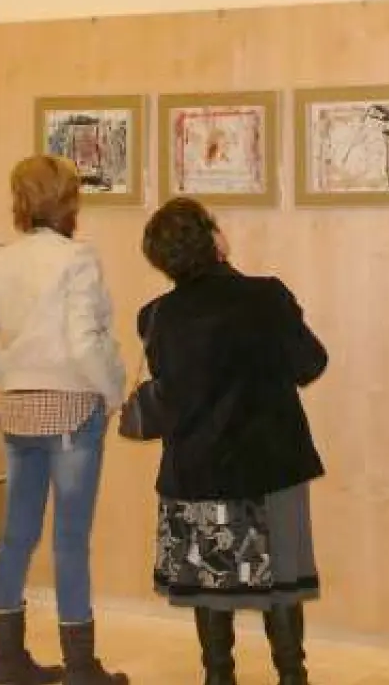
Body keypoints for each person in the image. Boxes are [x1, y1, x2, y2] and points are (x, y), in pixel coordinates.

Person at [136, 198, 327, 685]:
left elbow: (173, 391)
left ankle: (218, 675)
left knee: (211, 580)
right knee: (281, 582)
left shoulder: (156, 316)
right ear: (214, 239)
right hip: (273, 463)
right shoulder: (267, 297)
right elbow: (311, 364)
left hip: (198, 470)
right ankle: (292, 675)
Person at [0, 155, 129, 685]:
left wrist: (15, 379)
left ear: (19, 200)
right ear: (69, 200)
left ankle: (4, 660)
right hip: (74, 412)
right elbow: (84, 344)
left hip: (19, 412)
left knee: (16, 538)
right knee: (69, 542)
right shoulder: (77, 258)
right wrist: (113, 392)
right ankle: (80, 667)